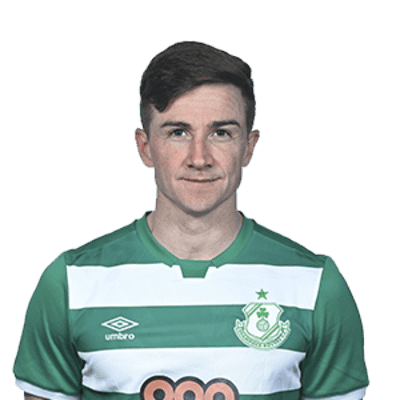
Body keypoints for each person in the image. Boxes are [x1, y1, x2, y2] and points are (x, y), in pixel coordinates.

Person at [13, 41, 369, 400]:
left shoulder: (315, 285)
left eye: (221, 133)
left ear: (248, 146)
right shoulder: (71, 283)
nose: (199, 158)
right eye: (178, 132)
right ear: (145, 147)